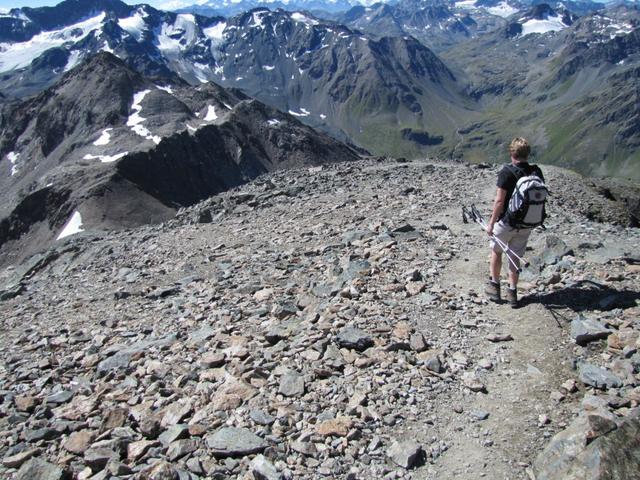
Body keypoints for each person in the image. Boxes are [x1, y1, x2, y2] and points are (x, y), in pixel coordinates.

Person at [485, 137, 545, 307]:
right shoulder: (536, 171)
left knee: (496, 251)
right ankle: (512, 293)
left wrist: (491, 223)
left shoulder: (506, 172)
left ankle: (494, 287)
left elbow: (499, 201)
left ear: (512, 153)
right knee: (514, 256)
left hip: (506, 222)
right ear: (528, 154)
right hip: (526, 223)